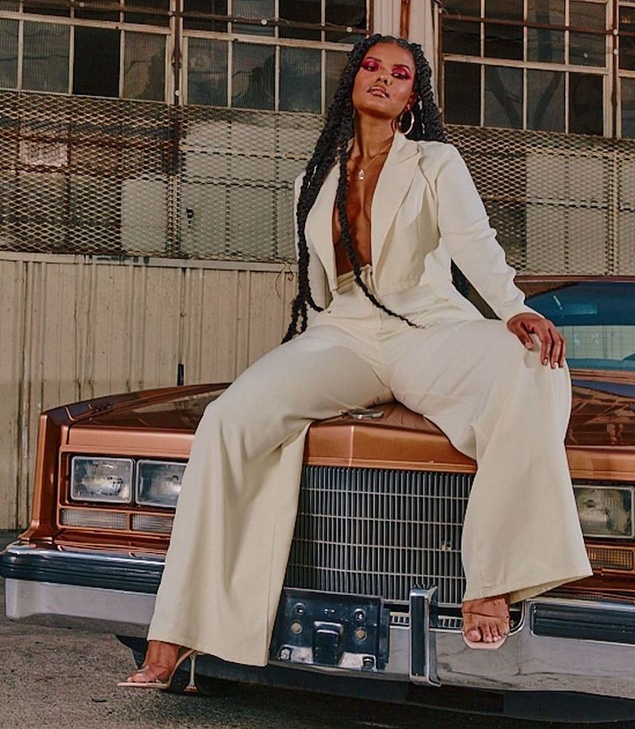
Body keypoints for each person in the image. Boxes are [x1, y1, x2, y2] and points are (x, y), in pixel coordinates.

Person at [120, 34, 592, 688]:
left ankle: (493, 581)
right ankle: (177, 629)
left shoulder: (435, 162)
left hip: (426, 329)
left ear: (411, 98)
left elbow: (474, 243)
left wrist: (514, 308)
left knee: (531, 364)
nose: (383, 78)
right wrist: (306, 352)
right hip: (343, 334)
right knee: (228, 419)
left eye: (400, 74)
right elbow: (318, 287)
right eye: (372, 66)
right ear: (352, 82)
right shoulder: (310, 181)